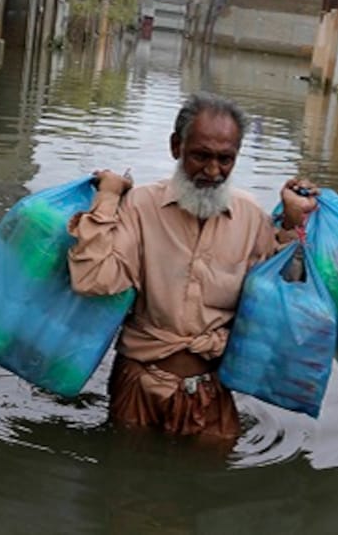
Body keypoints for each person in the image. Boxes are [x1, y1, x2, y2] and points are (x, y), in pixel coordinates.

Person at [67, 93, 318, 440]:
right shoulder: (140, 207)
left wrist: (292, 226)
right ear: (176, 147)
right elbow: (93, 279)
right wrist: (108, 198)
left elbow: (283, 303)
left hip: (212, 391)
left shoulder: (251, 217)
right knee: (124, 484)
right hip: (138, 383)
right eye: (200, 156)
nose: (213, 171)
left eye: (225, 159)